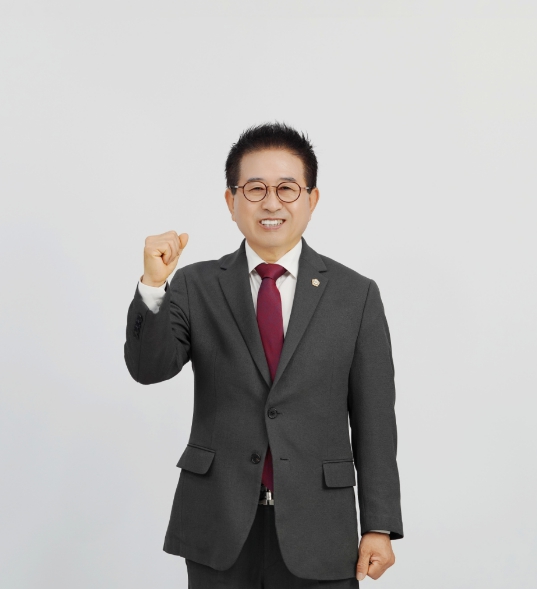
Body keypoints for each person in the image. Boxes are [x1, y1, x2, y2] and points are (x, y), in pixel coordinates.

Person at [124, 122, 404, 587]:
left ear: (312, 199)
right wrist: (154, 285)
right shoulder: (195, 285)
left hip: (321, 528)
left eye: (287, 189)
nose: (271, 203)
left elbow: (375, 419)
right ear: (231, 201)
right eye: (255, 189)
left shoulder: (355, 295)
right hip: (218, 526)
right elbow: (148, 369)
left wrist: (379, 524)